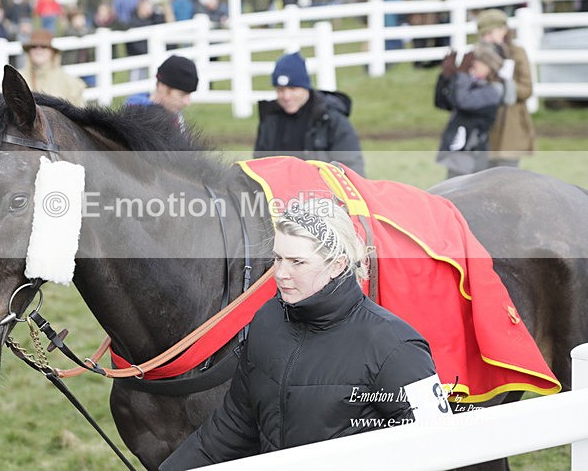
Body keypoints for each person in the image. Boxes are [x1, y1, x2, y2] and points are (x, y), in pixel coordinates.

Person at [160, 199, 448, 469]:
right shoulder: (267, 320)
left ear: (337, 264)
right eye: (277, 259)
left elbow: (439, 447)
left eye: (297, 262)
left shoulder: (396, 347)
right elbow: (235, 423)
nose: (281, 273)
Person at [254, 52, 365, 176]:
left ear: (305, 87)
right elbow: (259, 167)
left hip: (324, 192)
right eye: (280, 90)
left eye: (292, 89)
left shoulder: (331, 118)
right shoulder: (270, 118)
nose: (286, 96)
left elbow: (352, 171)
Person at [475, 9, 535, 169]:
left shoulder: (516, 53)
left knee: (506, 178)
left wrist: (504, 78)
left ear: (504, 31)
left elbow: (526, 89)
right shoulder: (477, 54)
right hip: (483, 124)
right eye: (483, 34)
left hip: (510, 125)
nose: (486, 38)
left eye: (490, 32)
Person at [435, 43, 505, 179]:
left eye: (478, 62)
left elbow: (464, 101)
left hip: (472, 153)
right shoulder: (470, 84)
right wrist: (445, 78)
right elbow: (442, 103)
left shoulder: (493, 90)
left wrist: (461, 75)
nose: (473, 65)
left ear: (490, 67)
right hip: (459, 150)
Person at [125, 55, 198, 130]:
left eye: (189, 95)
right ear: (161, 87)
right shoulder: (137, 120)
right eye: (182, 95)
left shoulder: (175, 117)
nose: (187, 102)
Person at [19, 28, 86, 107]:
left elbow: (80, 112)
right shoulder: (19, 78)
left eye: (44, 47)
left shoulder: (67, 81)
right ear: (29, 52)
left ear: (52, 52)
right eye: (34, 47)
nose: (38, 50)